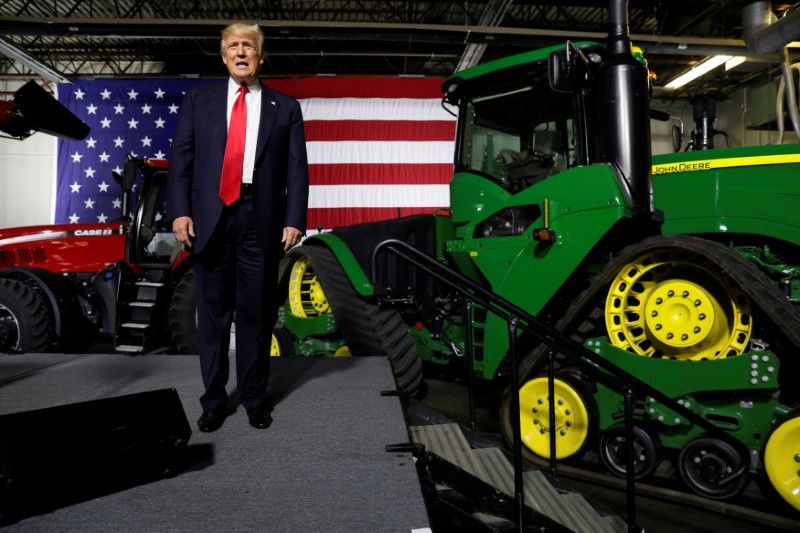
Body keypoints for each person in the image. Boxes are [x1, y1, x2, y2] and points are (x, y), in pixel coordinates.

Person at [167, 22, 309, 432]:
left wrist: (294, 219)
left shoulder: (285, 107)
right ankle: (213, 401)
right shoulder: (198, 101)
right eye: (234, 45)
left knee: (256, 316)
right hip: (210, 219)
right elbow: (182, 161)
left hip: (260, 219)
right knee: (212, 315)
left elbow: (297, 171)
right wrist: (179, 212)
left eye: (249, 45)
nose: (242, 51)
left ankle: (253, 398)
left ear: (261, 57)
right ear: (224, 54)